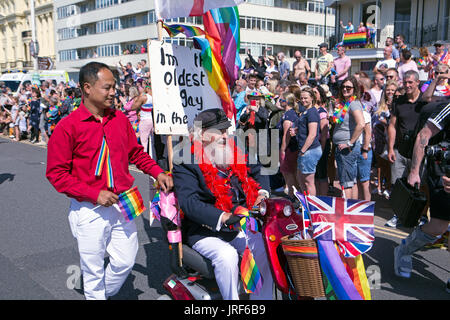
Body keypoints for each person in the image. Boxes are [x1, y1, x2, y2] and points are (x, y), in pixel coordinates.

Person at [46, 62, 173, 300]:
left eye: (114, 86)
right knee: (92, 270)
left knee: (126, 259)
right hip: (88, 209)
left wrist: (158, 172)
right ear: (87, 88)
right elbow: (56, 174)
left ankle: (102, 293)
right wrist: (95, 194)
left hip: (122, 203)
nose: (114, 92)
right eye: (107, 87)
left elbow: (135, 153)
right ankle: (96, 294)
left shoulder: (119, 120)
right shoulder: (67, 127)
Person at [172, 108, 274, 300]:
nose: (226, 136)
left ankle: (262, 300)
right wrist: (222, 217)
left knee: (263, 248)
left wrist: (261, 193)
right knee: (227, 256)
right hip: (205, 229)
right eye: (220, 132)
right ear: (202, 134)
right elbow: (189, 203)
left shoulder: (233, 147)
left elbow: (259, 169)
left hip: (241, 221)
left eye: (227, 130)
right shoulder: (185, 159)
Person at [395, 99, 450, 285]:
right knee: (438, 227)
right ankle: (404, 250)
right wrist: (414, 171)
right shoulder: (448, 108)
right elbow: (423, 135)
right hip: (443, 171)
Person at [386, 70, 427, 228]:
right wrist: (390, 148)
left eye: (411, 82)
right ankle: (398, 215)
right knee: (397, 184)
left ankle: (422, 216)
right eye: (405, 82)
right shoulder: (399, 102)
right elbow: (392, 126)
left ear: (417, 83)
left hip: (419, 152)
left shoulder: (425, 101)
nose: (408, 85)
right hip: (400, 150)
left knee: (420, 185)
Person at [332, 77, 365, 199]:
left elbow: (361, 124)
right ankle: (351, 212)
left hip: (346, 148)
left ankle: (346, 213)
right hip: (343, 146)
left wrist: (350, 143)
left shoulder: (354, 104)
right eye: (343, 87)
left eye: (348, 87)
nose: (345, 89)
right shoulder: (346, 104)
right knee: (351, 182)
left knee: (346, 183)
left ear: (354, 89)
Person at [290, 87, 322, 196]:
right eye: (301, 98)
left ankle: (311, 207)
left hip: (310, 150)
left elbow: (312, 134)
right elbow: (307, 129)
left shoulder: (312, 112)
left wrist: (303, 150)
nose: (303, 100)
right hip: (305, 150)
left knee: (308, 181)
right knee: (301, 179)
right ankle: (305, 204)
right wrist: (297, 130)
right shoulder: (306, 112)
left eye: (306, 98)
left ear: (312, 98)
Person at [372, 80, 398, 198]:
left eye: (392, 90)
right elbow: (378, 119)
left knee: (390, 165)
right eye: (388, 90)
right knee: (381, 163)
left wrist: (386, 122)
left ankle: (389, 186)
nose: (390, 92)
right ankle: (380, 187)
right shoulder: (381, 104)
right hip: (381, 137)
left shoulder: (397, 104)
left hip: (392, 138)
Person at [279, 92, 300, 197]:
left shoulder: (288, 115)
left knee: (289, 172)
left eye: (281, 100)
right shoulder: (291, 113)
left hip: (289, 149)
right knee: (291, 172)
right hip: (292, 148)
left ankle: (293, 196)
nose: (279, 102)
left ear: (286, 102)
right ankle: (294, 195)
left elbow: (286, 135)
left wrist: (282, 149)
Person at [132, 83, 155, 156]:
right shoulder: (155, 97)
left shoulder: (144, 97)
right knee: (153, 142)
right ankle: (153, 158)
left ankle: (144, 160)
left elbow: (133, 107)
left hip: (145, 120)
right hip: (153, 121)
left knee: (144, 142)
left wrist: (138, 97)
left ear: (147, 88)